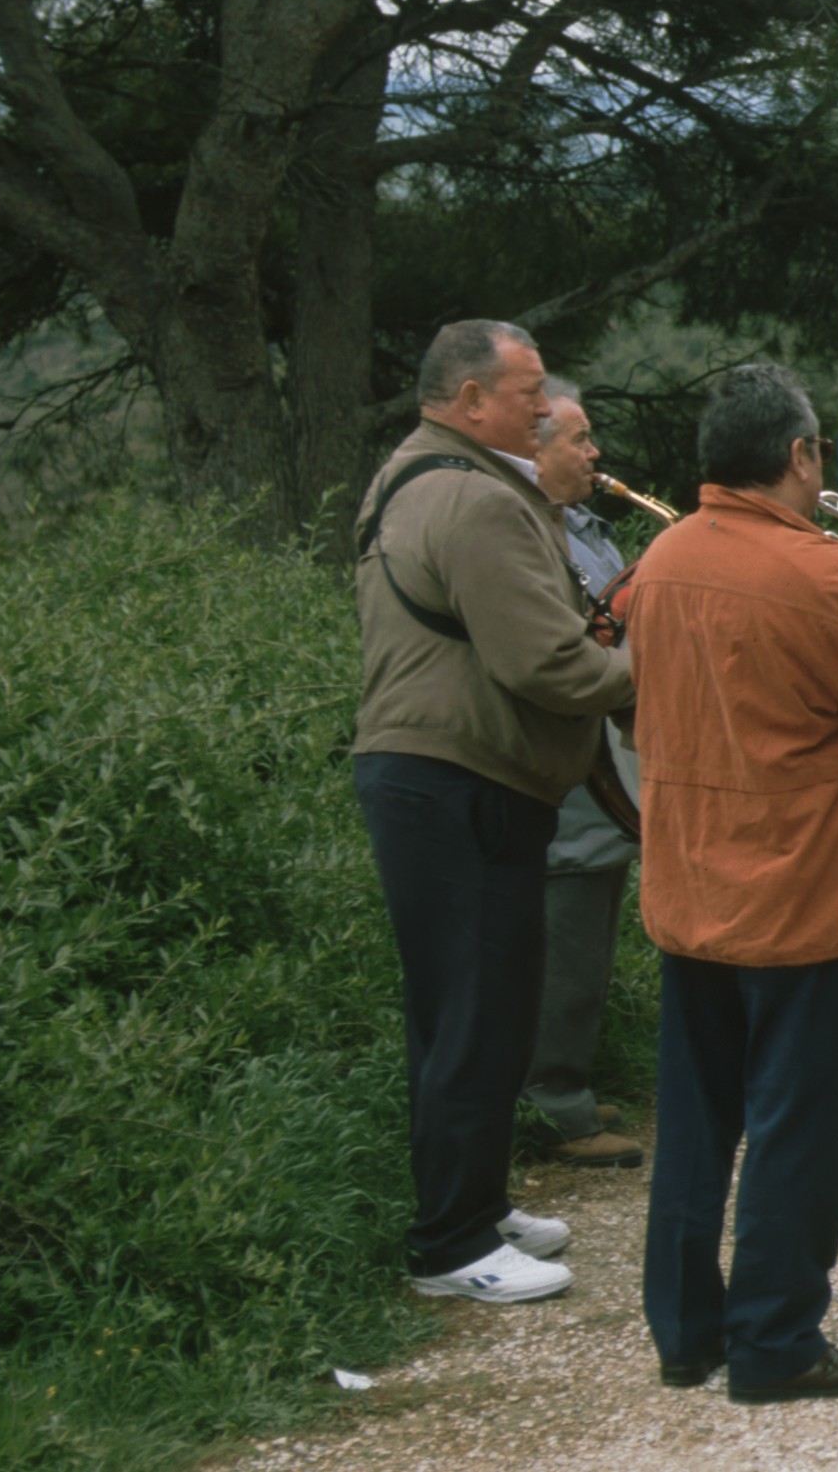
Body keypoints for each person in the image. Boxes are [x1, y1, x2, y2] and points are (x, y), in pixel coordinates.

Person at [626, 365, 838, 1402]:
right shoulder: (823, 575)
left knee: (694, 1121)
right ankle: (775, 1340)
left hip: (693, 884)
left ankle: (686, 1331)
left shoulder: (663, 556)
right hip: (804, 888)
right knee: (797, 1125)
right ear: (800, 456)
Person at [351, 320, 635, 1303]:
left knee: (472, 1007)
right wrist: (654, 667)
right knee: (473, 1011)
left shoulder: (426, 477)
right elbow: (545, 662)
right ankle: (450, 1244)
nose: (545, 405)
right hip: (456, 784)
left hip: (450, 780)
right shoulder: (471, 500)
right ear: (471, 401)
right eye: (527, 391)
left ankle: (473, 1201)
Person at [521, 380, 645, 1169]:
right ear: (535, 450)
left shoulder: (585, 523)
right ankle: (553, 1105)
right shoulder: (530, 532)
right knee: (565, 932)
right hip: (570, 765)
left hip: (604, 761)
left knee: (592, 919)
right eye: (578, 438)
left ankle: (566, 1082)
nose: (595, 452)